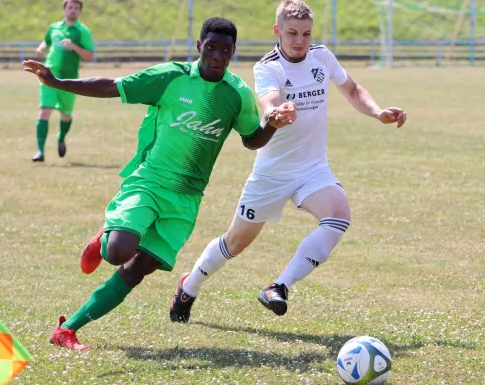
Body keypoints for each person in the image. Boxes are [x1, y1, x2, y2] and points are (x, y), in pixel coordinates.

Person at [22, 17, 296, 350]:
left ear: (233, 52)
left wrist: (272, 125)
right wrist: (57, 83)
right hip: (150, 181)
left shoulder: (236, 94)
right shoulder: (170, 77)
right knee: (117, 251)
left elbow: (252, 139)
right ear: (199, 47)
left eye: (225, 51)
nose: (217, 57)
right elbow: (113, 85)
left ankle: (67, 330)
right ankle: (102, 237)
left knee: (136, 271)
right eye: (211, 48)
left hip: (187, 198)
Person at [169, 0, 407, 321]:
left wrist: (378, 112)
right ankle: (189, 286)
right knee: (235, 243)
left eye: (306, 34)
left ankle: (278, 287)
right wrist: (278, 113)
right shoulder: (268, 67)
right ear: (277, 30)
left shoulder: (322, 57)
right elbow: (269, 102)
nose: (300, 41)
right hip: (271, 173)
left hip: (312, 168)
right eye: (292, 33)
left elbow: (351, 89)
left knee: (338, 215)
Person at [32, 0, 95, 162]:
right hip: (48, 75)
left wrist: (74, 47)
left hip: (69, 80)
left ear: (80, 11)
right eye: (70, 7)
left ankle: (61, 138)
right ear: (64, 9)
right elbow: (45, 42)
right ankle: (40, 152)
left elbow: (89, 56)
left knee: (66, 115)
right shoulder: (54, 28)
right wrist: (40, 48)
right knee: (44, 111)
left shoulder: (83, 31)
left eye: (76, 8)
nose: (73, 10)